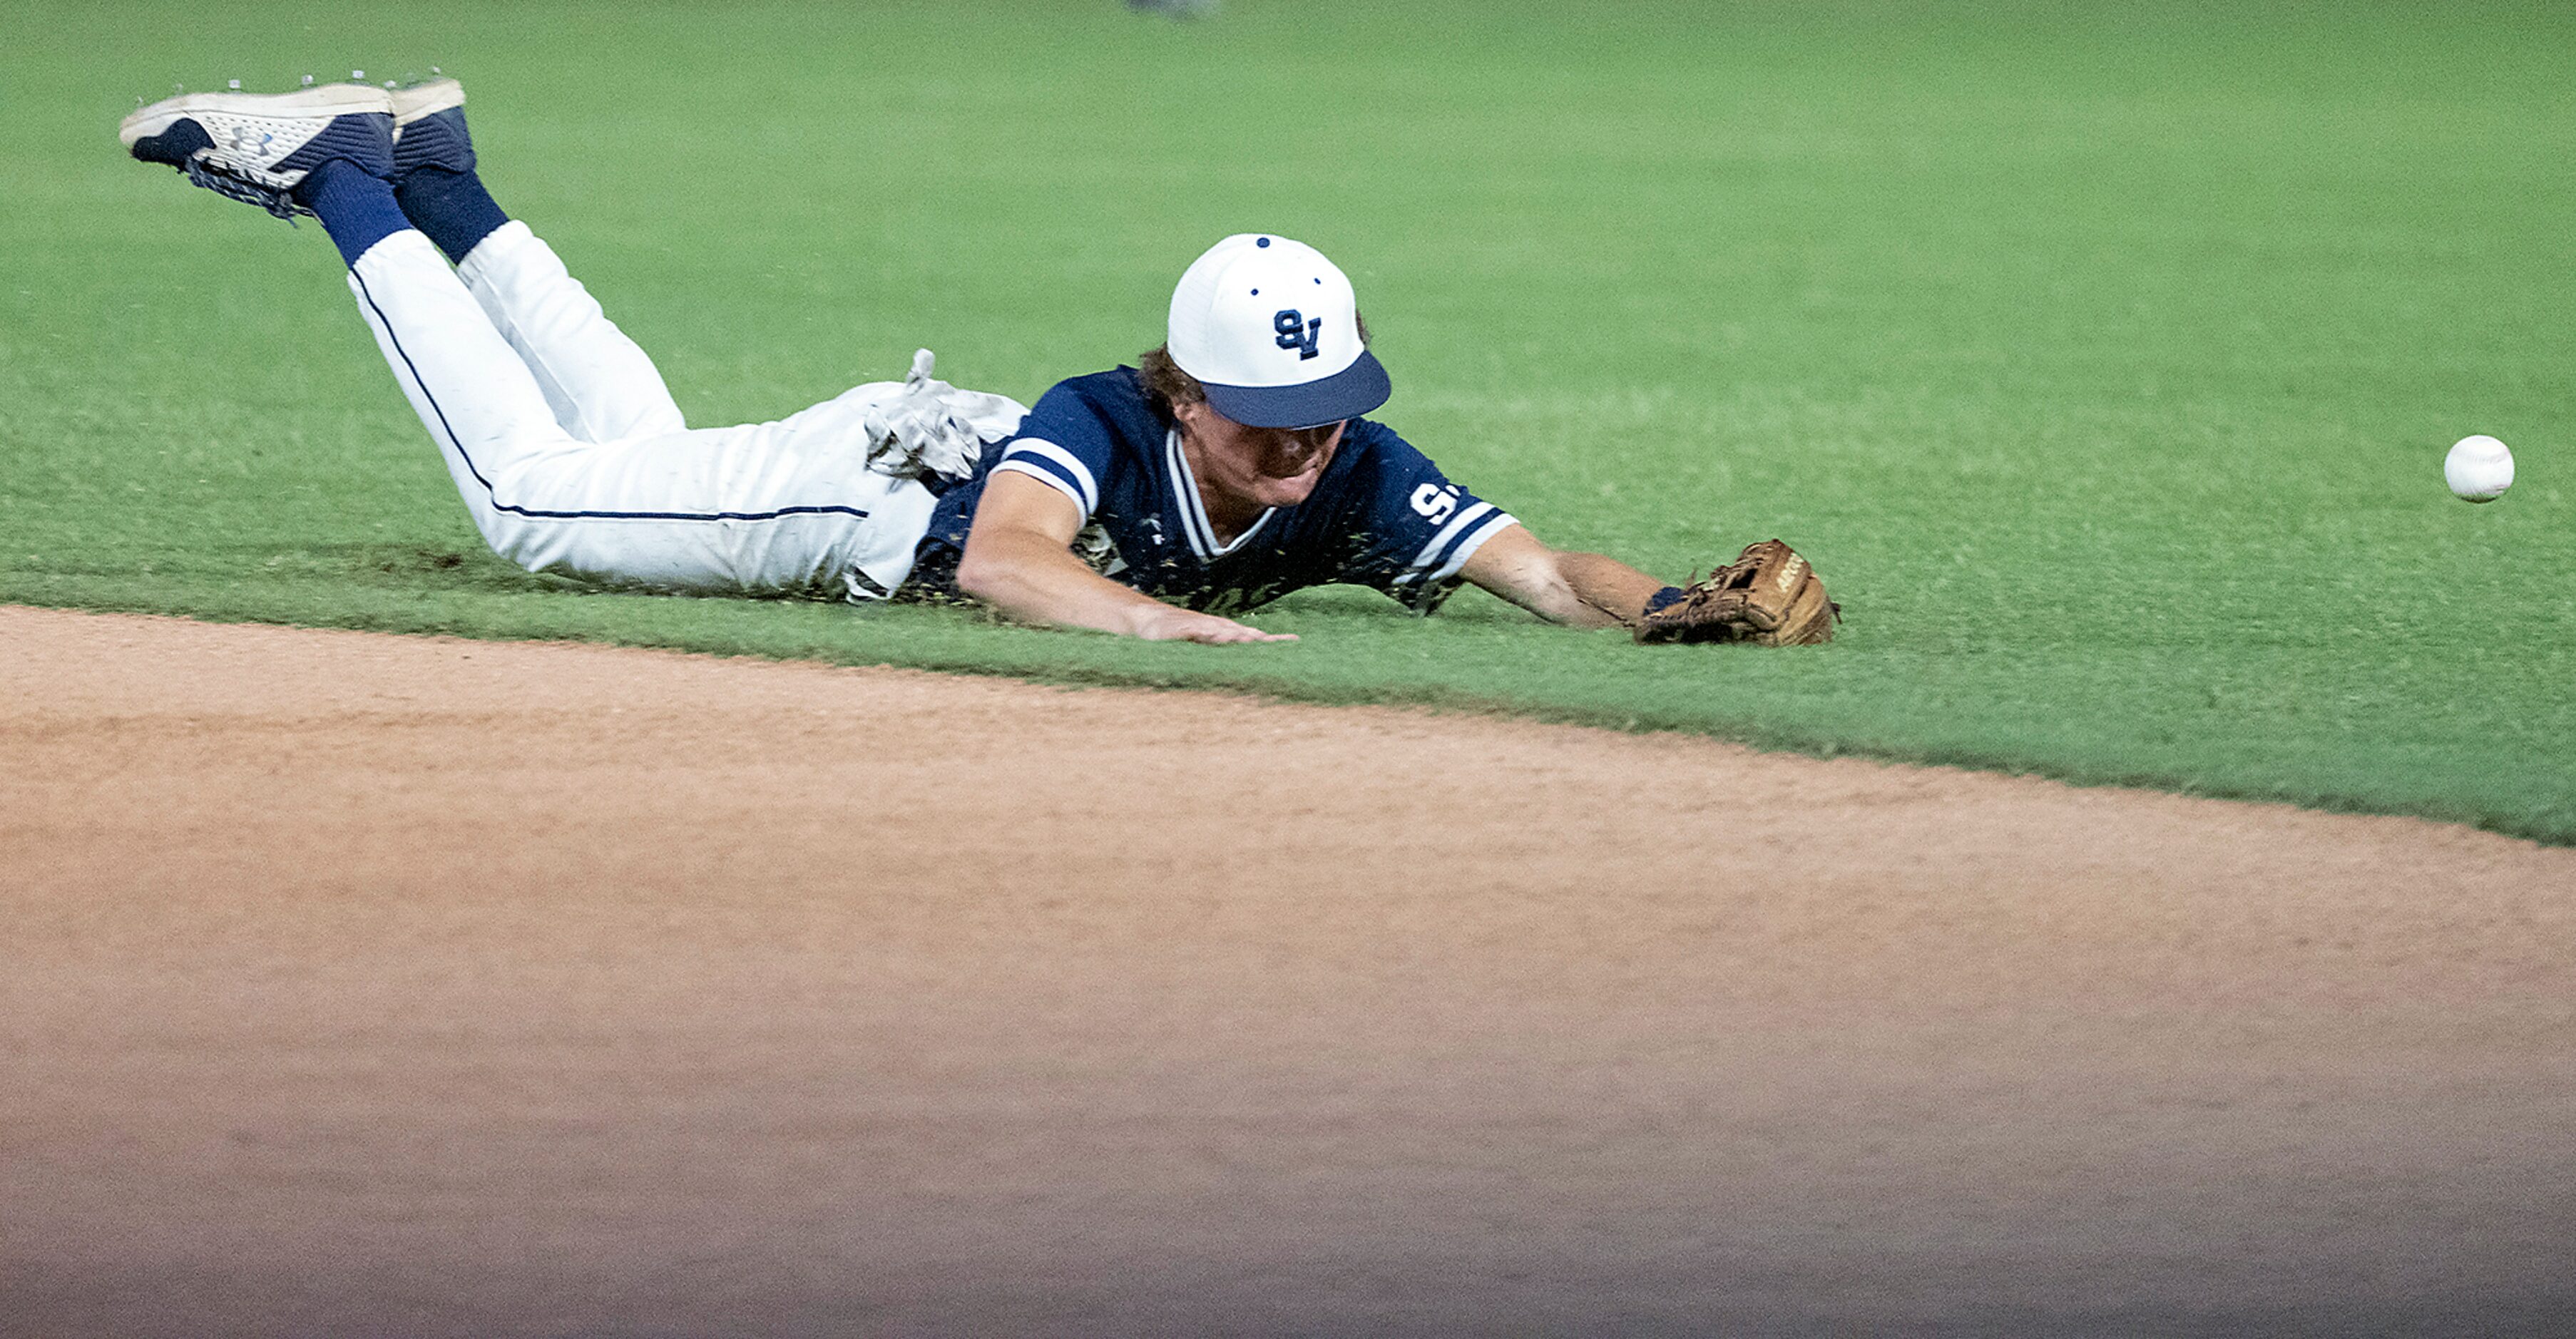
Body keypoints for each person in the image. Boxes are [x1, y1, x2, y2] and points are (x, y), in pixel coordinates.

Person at [120, 79, 1830, 645]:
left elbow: (1542, 569)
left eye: (1328, 420)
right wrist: (1163, 627)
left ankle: (438, 169)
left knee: (631, 438)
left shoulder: (1361, 474)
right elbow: (1013, 563)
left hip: (883, 487)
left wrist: (1659, 600)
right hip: (862, 497)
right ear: (1185, 388)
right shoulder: (1102, 416)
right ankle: (344, 177)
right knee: (533, 502)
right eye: (1273, 426)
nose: (1310, 457)